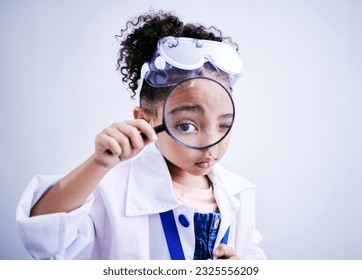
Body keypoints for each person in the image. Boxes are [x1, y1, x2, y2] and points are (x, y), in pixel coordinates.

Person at [16, 10, 266, 260]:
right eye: (187, 126)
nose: (210, 146)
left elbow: (253, 257)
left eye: (224, 125)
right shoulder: (111, 191)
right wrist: (98, 163)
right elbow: (43, 237)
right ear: (145, 120)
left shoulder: (239, 193)